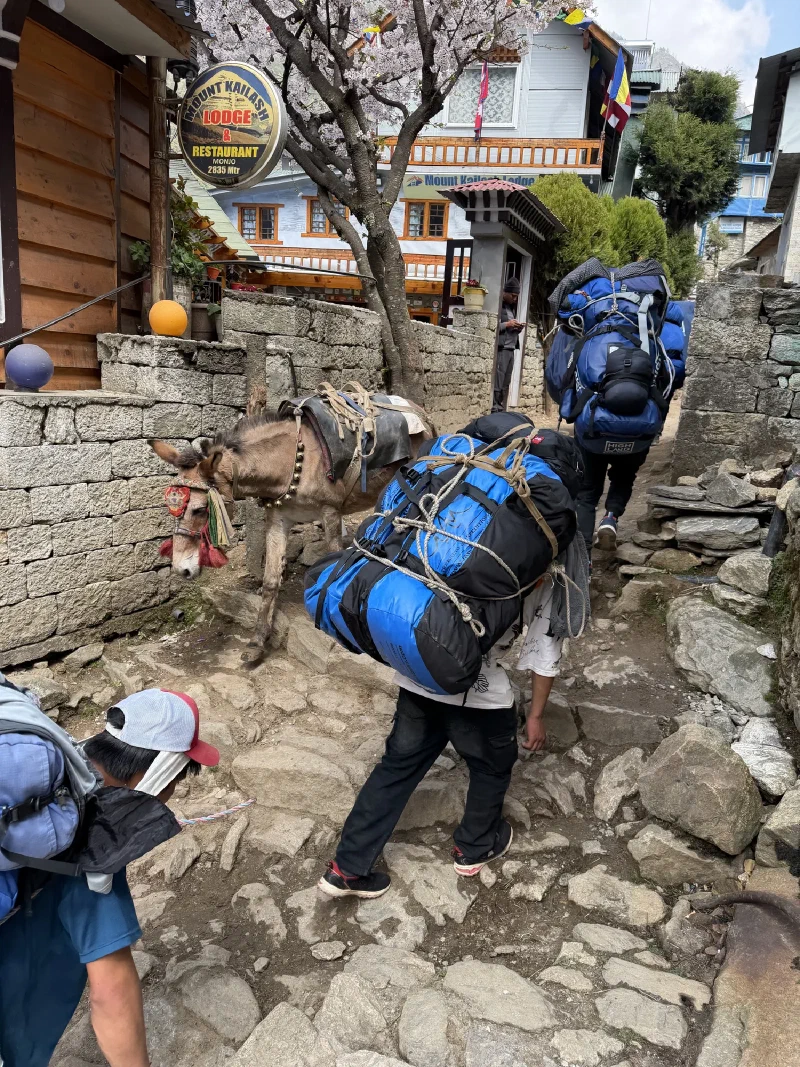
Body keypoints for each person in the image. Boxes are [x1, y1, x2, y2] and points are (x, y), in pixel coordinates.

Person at [317, 555, 588, 898]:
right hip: (479, 694)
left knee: (396, 767)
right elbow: (543, 655)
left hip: (421, 675)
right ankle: (473, 847)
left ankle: (346, 869)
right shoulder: (544, 570)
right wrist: (535, 716)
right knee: (492, 766)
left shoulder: (462, 543)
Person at [0, 689, 219, 1067]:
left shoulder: (43, 793)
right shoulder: (94, 846)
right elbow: (111, 992)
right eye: (177, 781)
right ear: (158, 775)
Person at [492, 276, 525, 412]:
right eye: (513, 296)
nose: (515, 299)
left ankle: (501, 407)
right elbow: (494, 326)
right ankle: (494, 407)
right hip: (503, 348)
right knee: (499, 379)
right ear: (505, 292)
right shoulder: (498, 306)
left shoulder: (511, 309)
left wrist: (517, 328)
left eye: (516, 296)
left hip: (511, 348)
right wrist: (508, 324)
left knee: (506, 380)